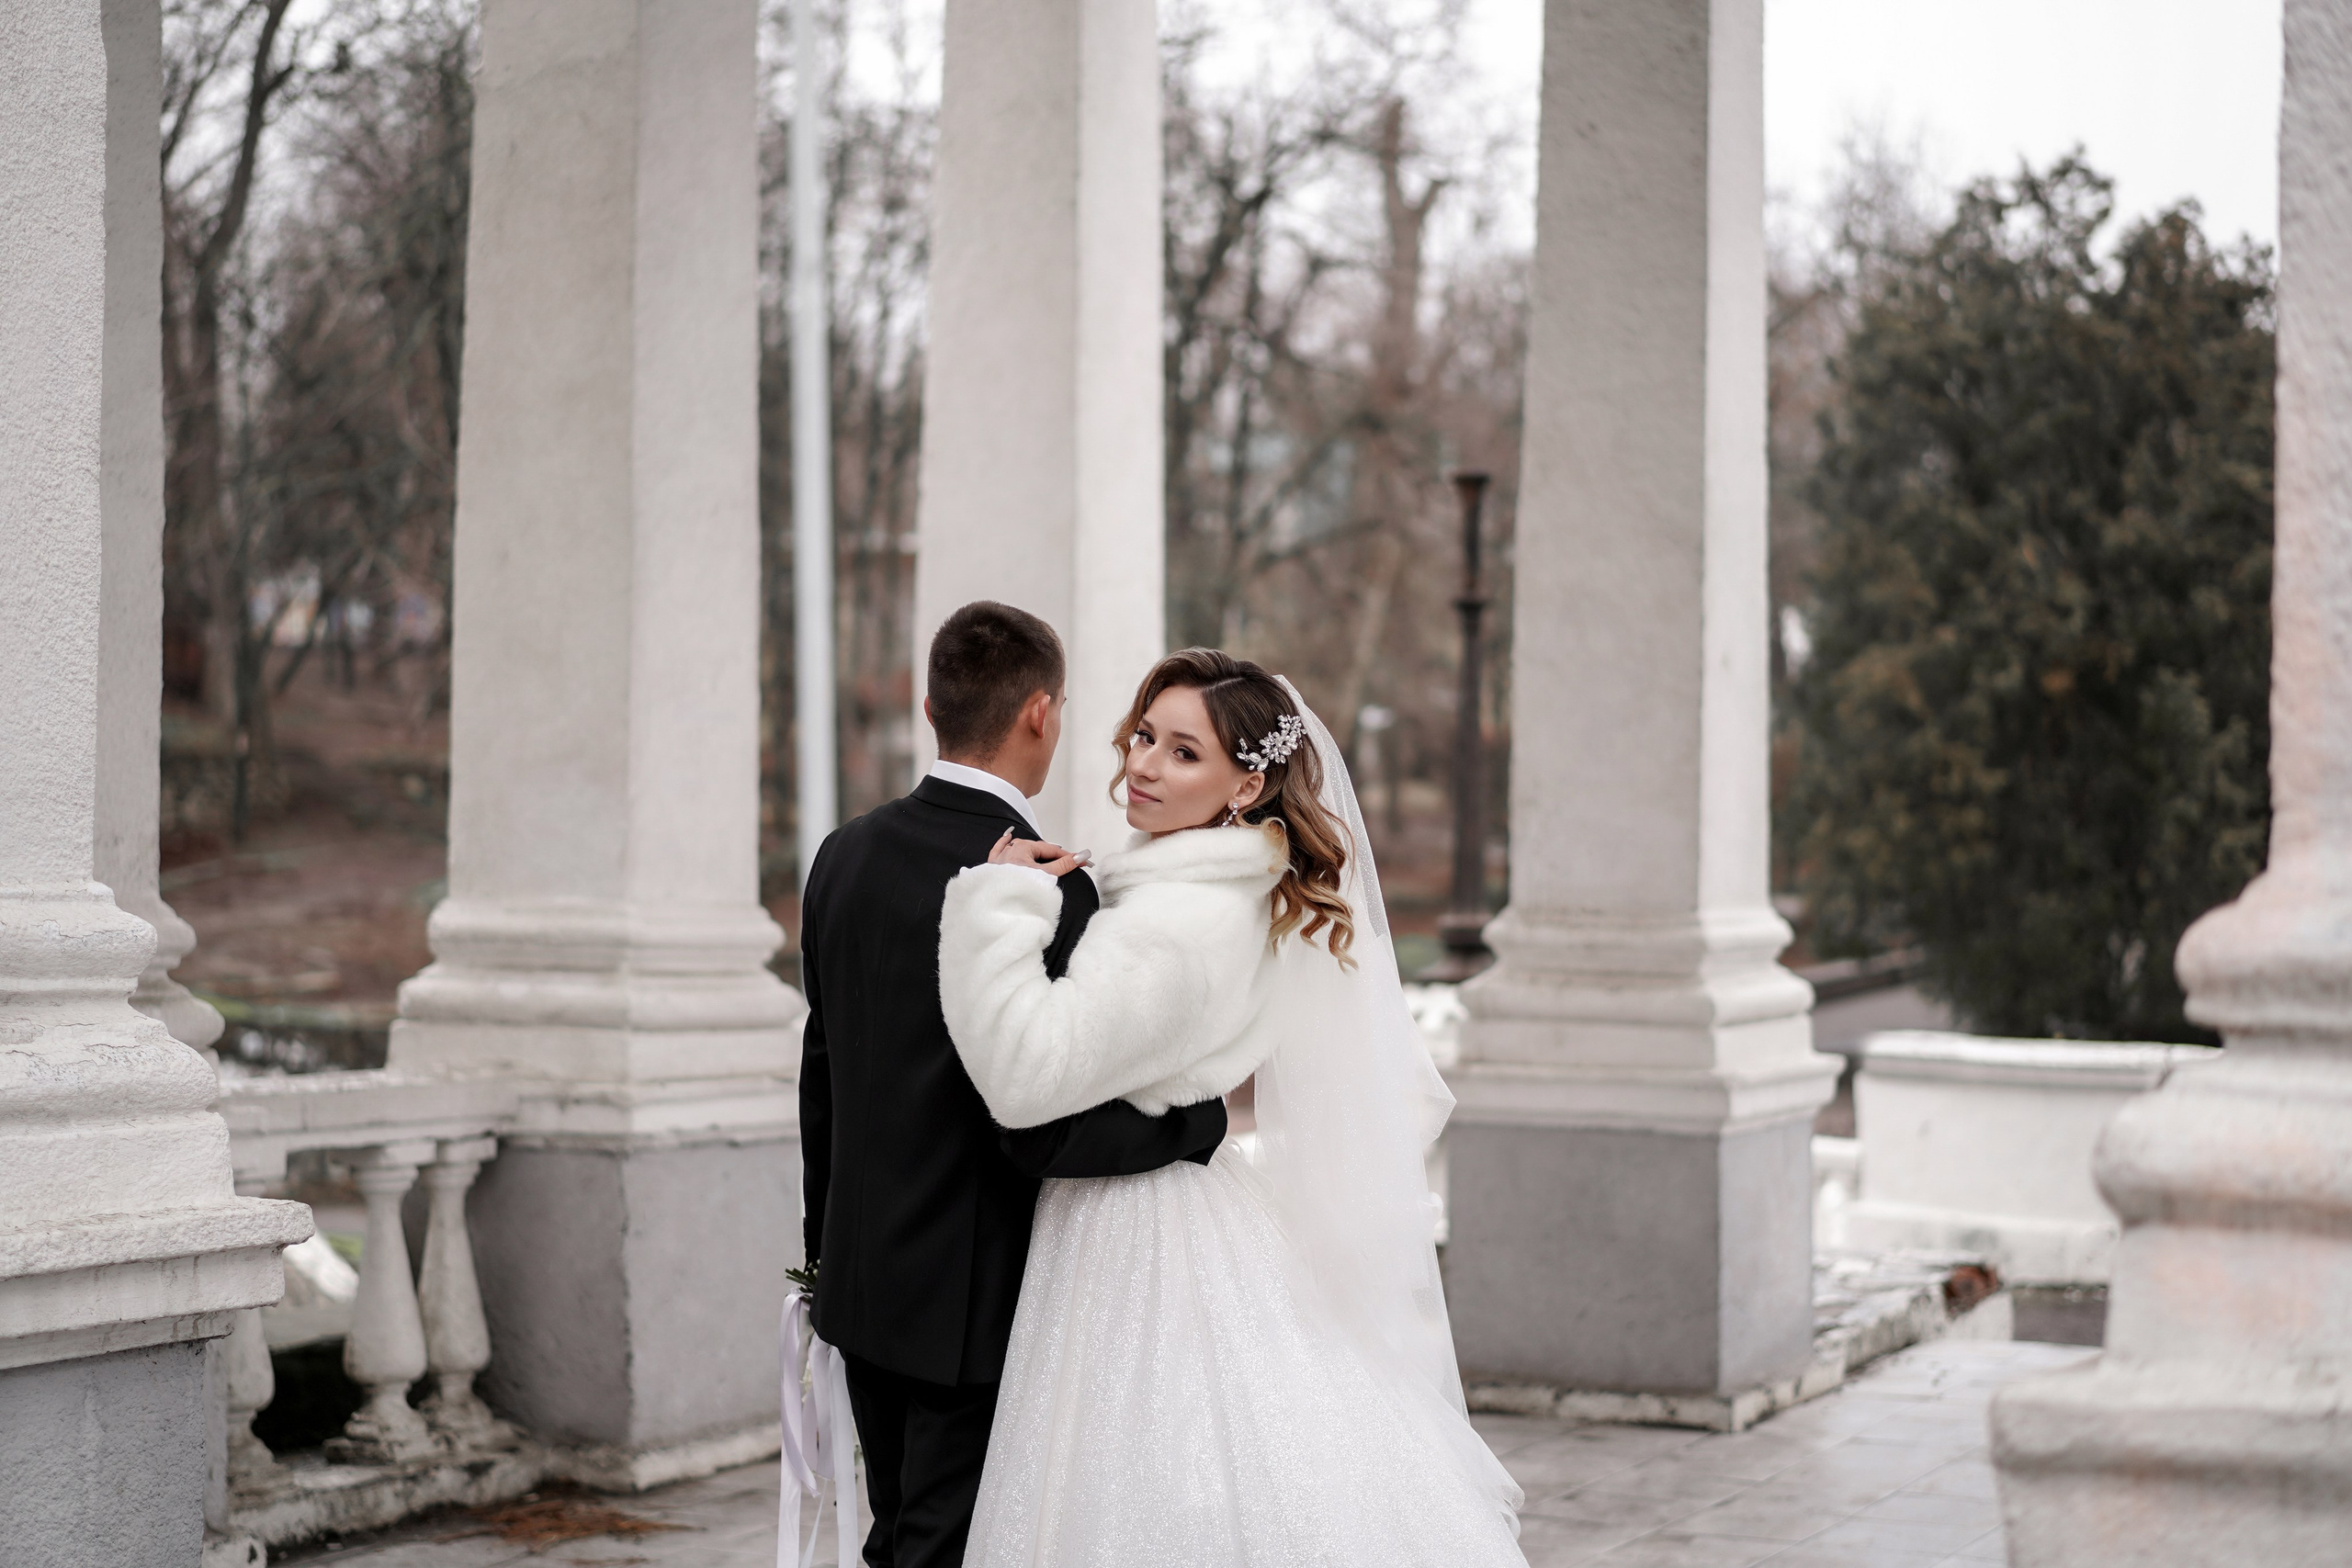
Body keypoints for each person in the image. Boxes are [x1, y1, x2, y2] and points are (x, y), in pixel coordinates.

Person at [938, 648, 1528, 1567]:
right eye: (1143, 736)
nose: (1141, 765)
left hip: (1127, 1233)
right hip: (1183, 1202)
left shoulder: (1180, 923)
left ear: (1245, 785)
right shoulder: (1225, 890)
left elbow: (1024, 1074)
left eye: (1182, 753)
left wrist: (997, 903)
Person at [797, 604, 1228, 1568]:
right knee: (944, 1550)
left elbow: (821, 1076)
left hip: (864, 1283)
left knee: (893, 1536)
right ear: (1042, 713)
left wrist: (824, 1251)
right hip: (976, 1304)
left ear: (928, 706)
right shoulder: (1047, 887)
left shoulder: (841, 856)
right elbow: (1044, 1129)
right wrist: (1194, 1123)